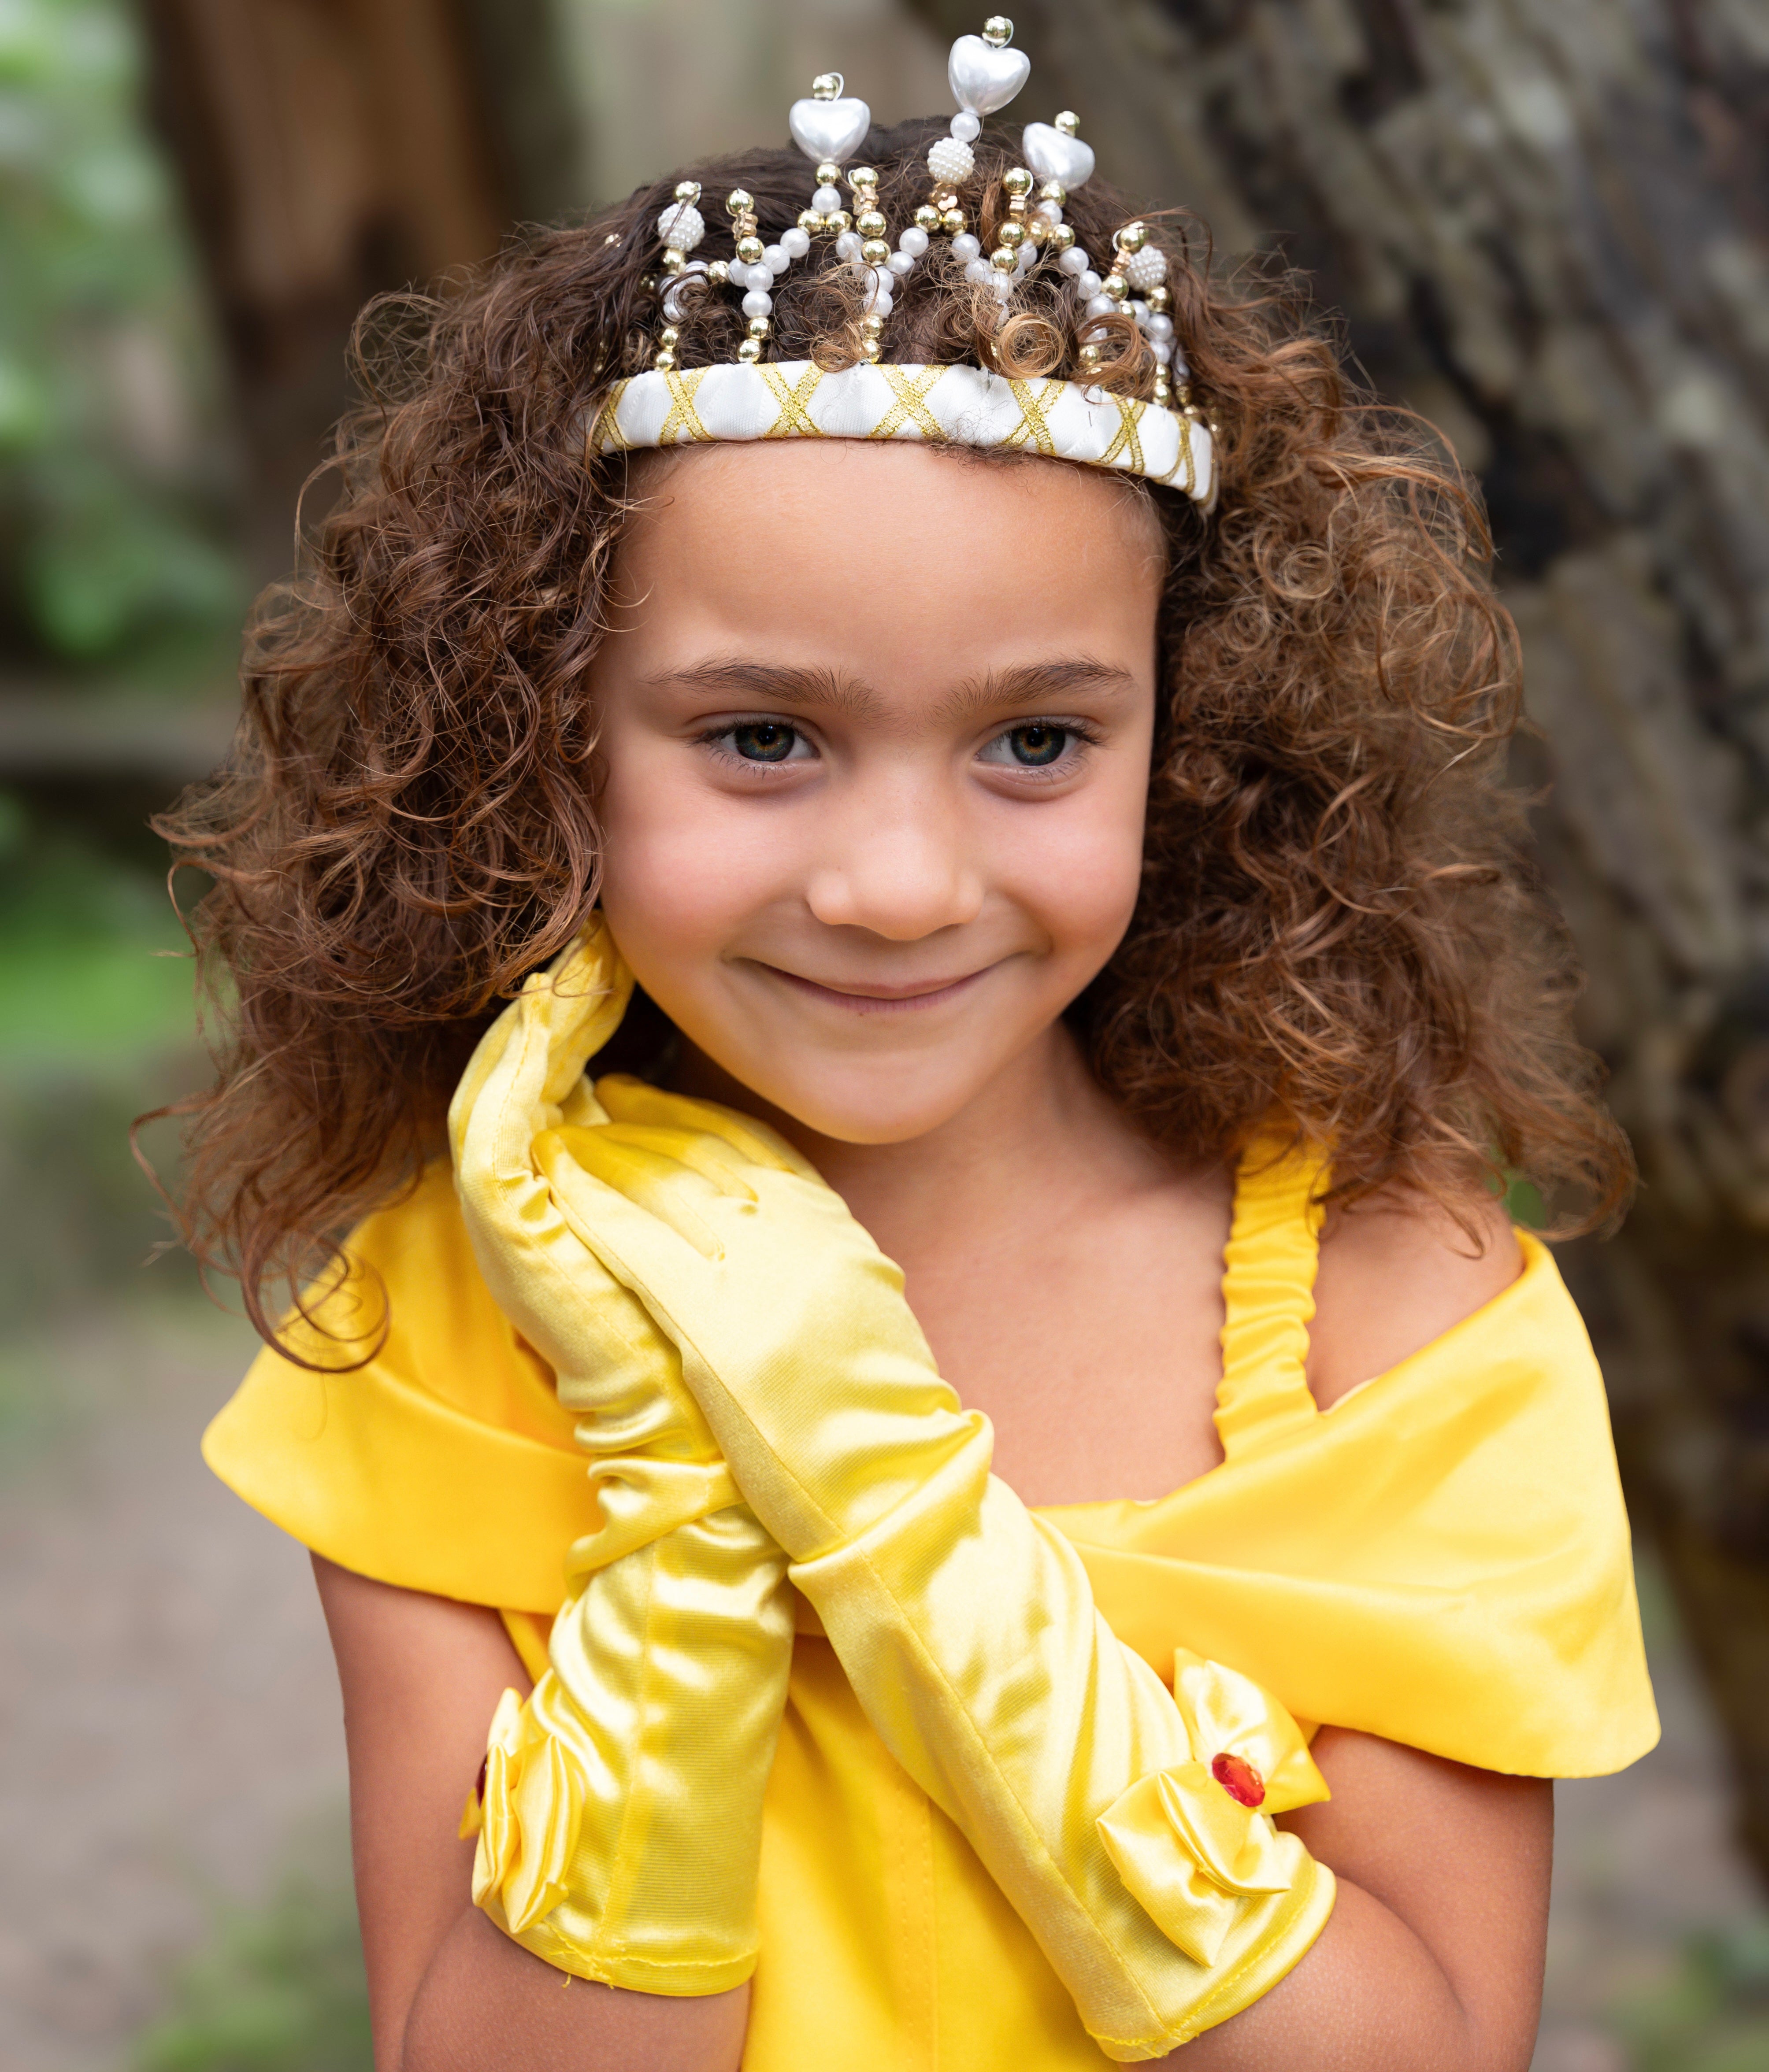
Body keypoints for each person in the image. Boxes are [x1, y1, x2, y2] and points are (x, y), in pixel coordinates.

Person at [173, 18, 1657, 2070]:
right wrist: (690, 1555)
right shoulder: (449, 1320)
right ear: (541, 738)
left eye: (1034, 742)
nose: (894, 882)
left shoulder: (1390, 1315)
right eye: (761, 737)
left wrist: (905, 1538)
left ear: (1191, 735)